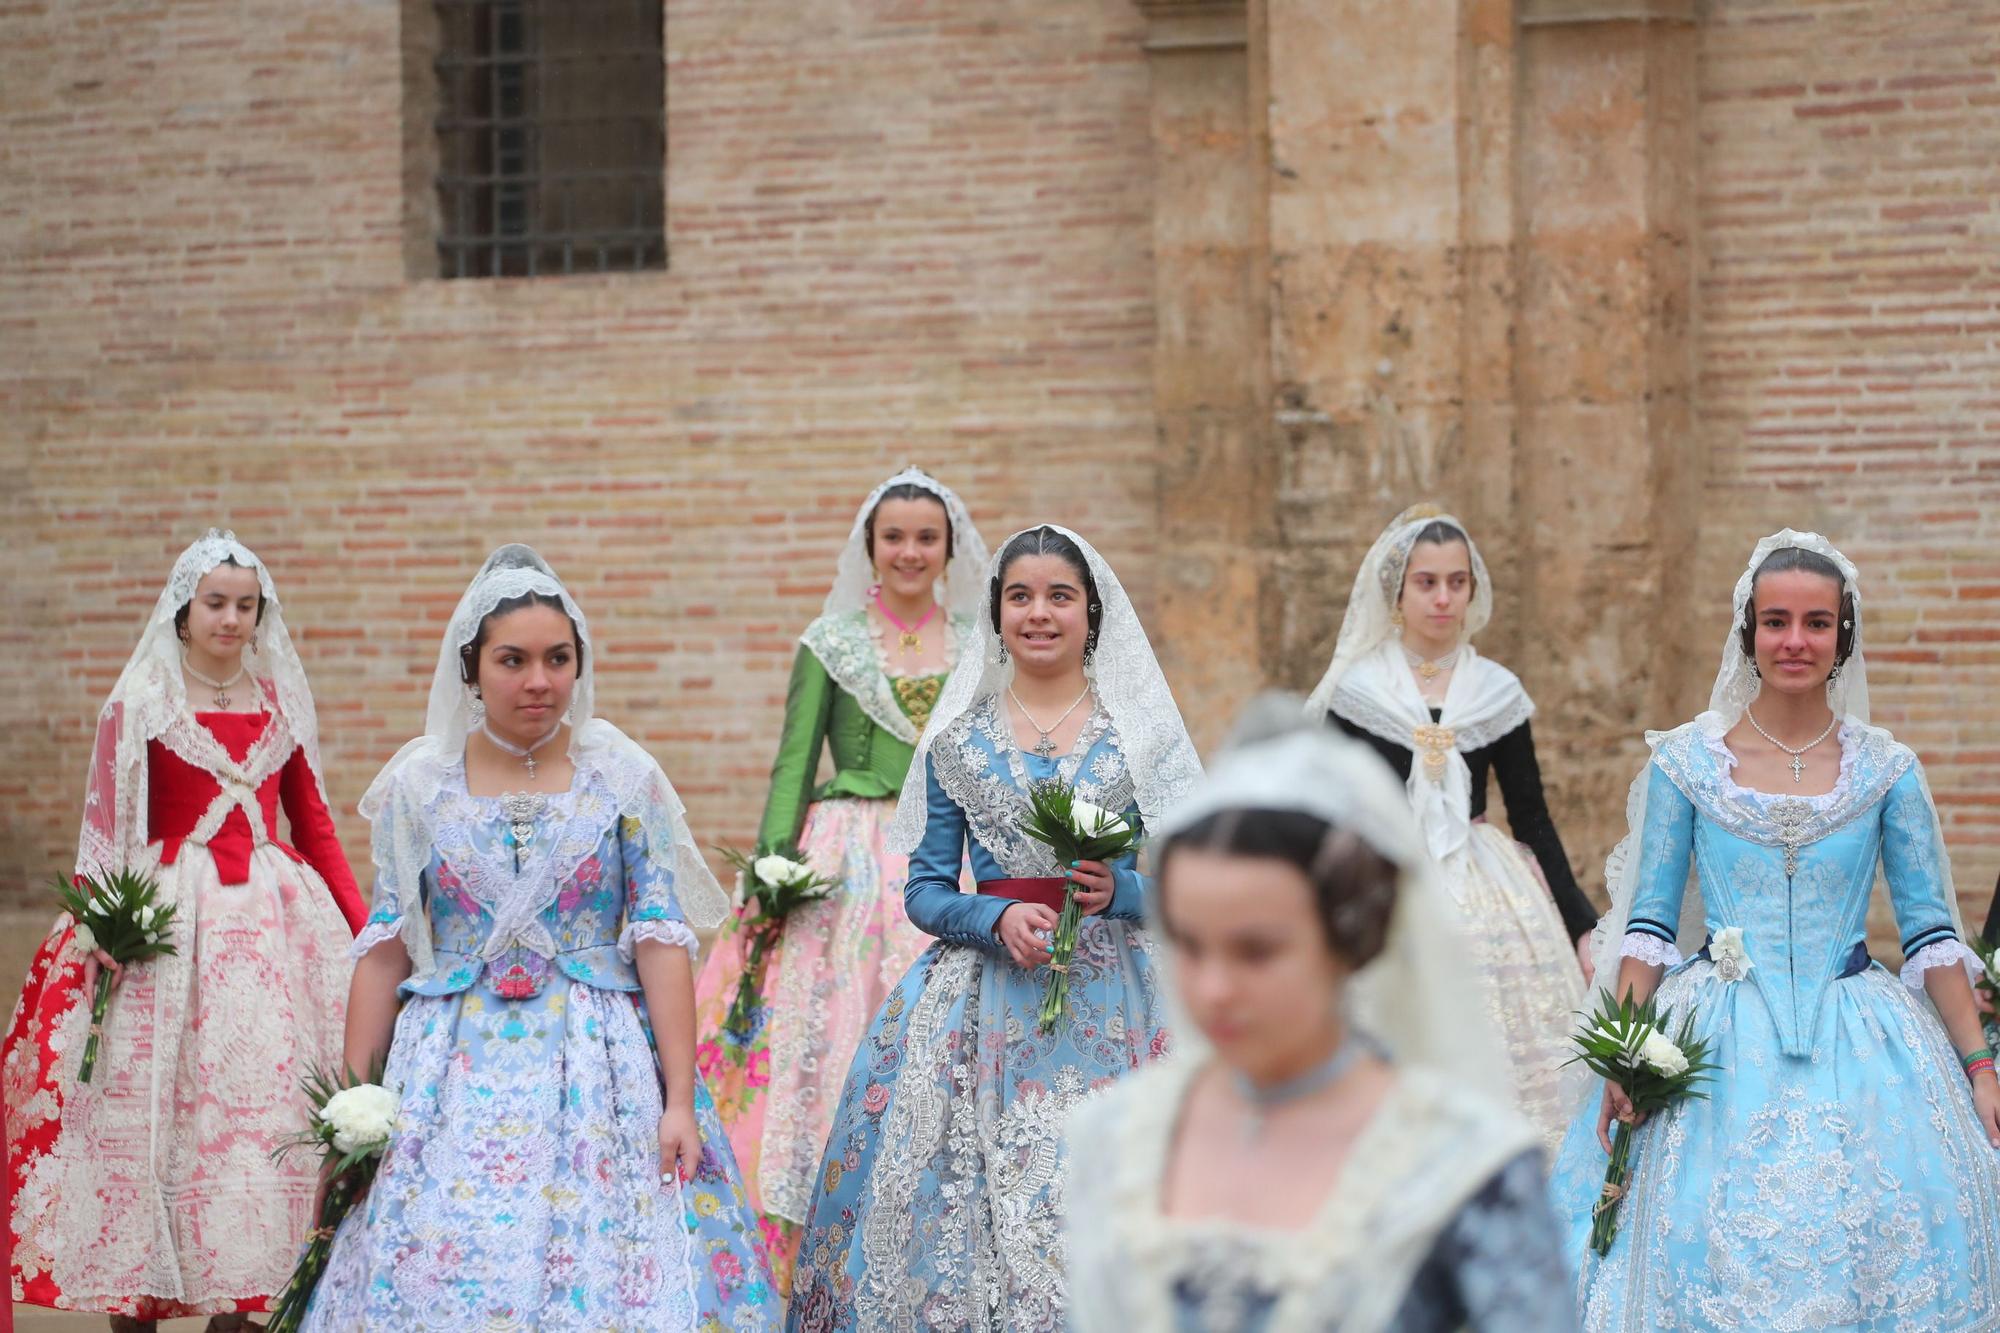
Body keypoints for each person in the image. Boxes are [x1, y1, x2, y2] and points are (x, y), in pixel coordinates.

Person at [301, 545, 775, 1330]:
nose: (539, 681)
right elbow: (386, 945)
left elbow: (659, 936)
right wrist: (353, 1104)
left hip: (597, 1063)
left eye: (558, 659)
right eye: (512, 659)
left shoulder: (623, 777)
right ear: (471, 669)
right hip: (447, 1065)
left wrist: (681, 1099)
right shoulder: (418, 787)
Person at [1550, 530, 2000, 1331]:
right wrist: (1622, 1054)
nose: (1796, 641)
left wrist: (1979, 1068)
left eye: (1818, 623)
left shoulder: (1887, 769)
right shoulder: (1686, 764)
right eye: (1777, 621)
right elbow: (1649, 928)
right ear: (1749, 633)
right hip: (1712, 1046)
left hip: (1861, 1043)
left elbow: (1932, 937)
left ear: (1844, 636)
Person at [786, 525, 1202, 1331]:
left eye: (1058, 596)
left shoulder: (1142, 737)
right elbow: (927, 890)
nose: (1038, 613)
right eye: (1019, 596)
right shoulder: (957, 743)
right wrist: (996, 913)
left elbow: (1198, 886)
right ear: (997, 612)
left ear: (1092, 613)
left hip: (1126, 999)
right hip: (984, 1007)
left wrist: (1121, 889)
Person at [1066, 704, 1575, 1332]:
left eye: (1257, 951)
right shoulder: (1115, 1141)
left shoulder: (1465, 1170)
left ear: (1350, 939)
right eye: (1190, 945)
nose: (1214, 988)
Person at [4, 530, 365, 1332]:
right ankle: (135, 1302)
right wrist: (102, 924)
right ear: (183, 609)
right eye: (215, 603)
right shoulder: (142, 701)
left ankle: (235, 1309)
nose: (231, 618)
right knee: (156, 1124)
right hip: (167, 929)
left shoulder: (280, 705)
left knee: (251, 1125)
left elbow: (315, 826)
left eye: (245, 605)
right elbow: (104, 828)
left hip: (271, 937)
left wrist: (365, 929)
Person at [693, 468, 987, 1291]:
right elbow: (794, 764)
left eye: (926, 537)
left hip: (948, 845)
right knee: (828, 1033)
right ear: (870, 548)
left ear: (947, 549)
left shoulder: (978, 641)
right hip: (848, 856)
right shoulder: (832, 641)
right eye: (894, 536)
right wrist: (771, 870)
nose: (910, 551)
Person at [1306, 504, 1594, 1142]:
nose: (1443, 598)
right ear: (1398, 592)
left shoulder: (1497, 691)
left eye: (1456, 582)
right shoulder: (1358, 692)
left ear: (1473, 589)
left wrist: (1582, 926)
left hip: (1488, 885)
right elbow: (1328, 810)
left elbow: (1534, 818)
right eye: (1427, 582)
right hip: (1382, 880)